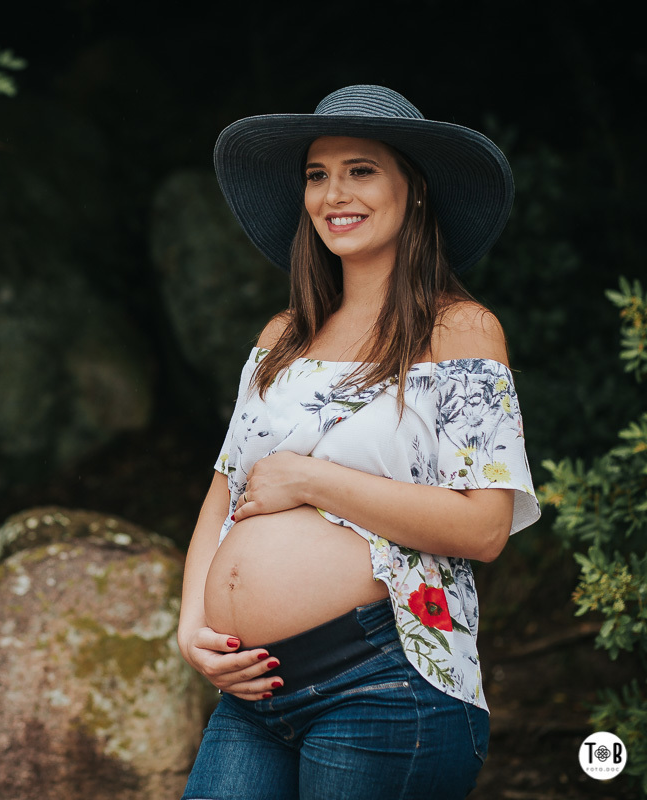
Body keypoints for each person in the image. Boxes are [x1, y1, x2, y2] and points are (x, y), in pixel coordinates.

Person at [177, 85, 541, 800]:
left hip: (382, 684)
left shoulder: (461, 331)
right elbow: (225, 487)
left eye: (361, 169)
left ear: (416, 190)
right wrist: (192, 626)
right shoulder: (282, 337)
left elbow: (486, 526)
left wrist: (314, 482)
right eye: (317, 174)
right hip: (253, 694)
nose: (333, 193)